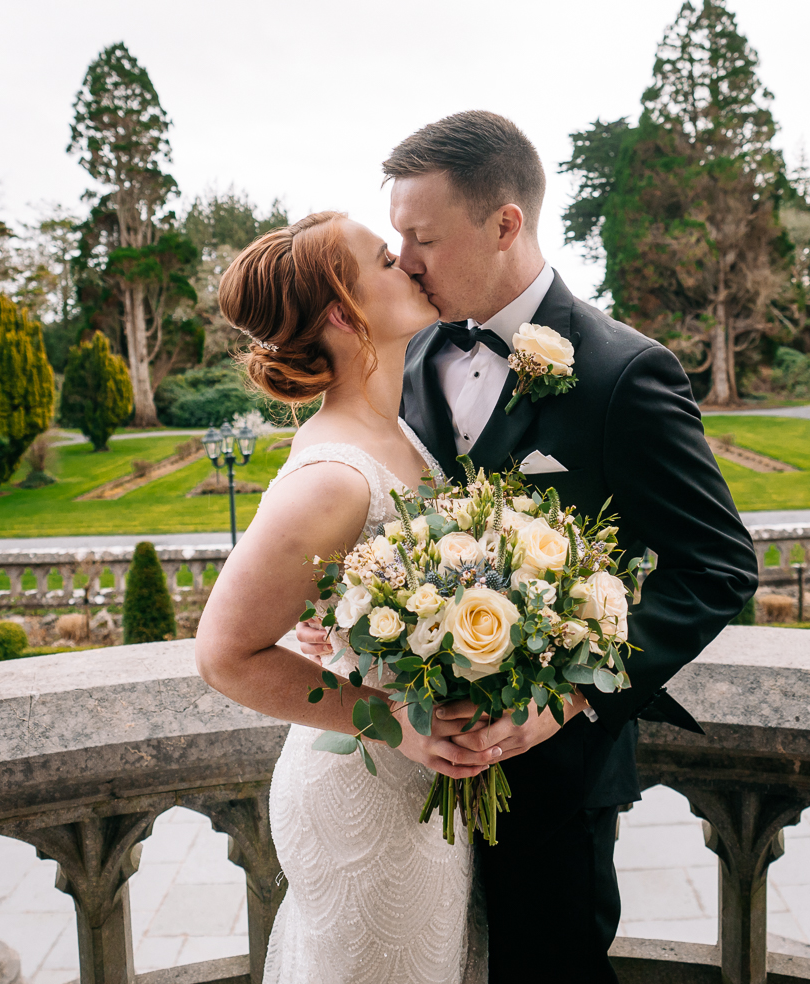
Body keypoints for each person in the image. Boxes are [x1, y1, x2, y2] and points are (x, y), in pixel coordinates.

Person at [295, 111, 759, 982]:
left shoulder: (625, 374)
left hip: (554, 784)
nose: (405, 260)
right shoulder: (404, 348)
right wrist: (341, 617)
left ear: (505, 224)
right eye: (395, 237)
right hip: (403, 776)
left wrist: (569, 701)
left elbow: (719, 566)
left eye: (422, 236)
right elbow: (374, 526)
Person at [195, 210, 497, 984]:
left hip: (419, 782)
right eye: (387, 260)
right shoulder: (333, 476)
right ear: (342, 310)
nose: (413, 266)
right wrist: (393, 719)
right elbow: (225, 653)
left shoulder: (399, 432)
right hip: (362, 790)